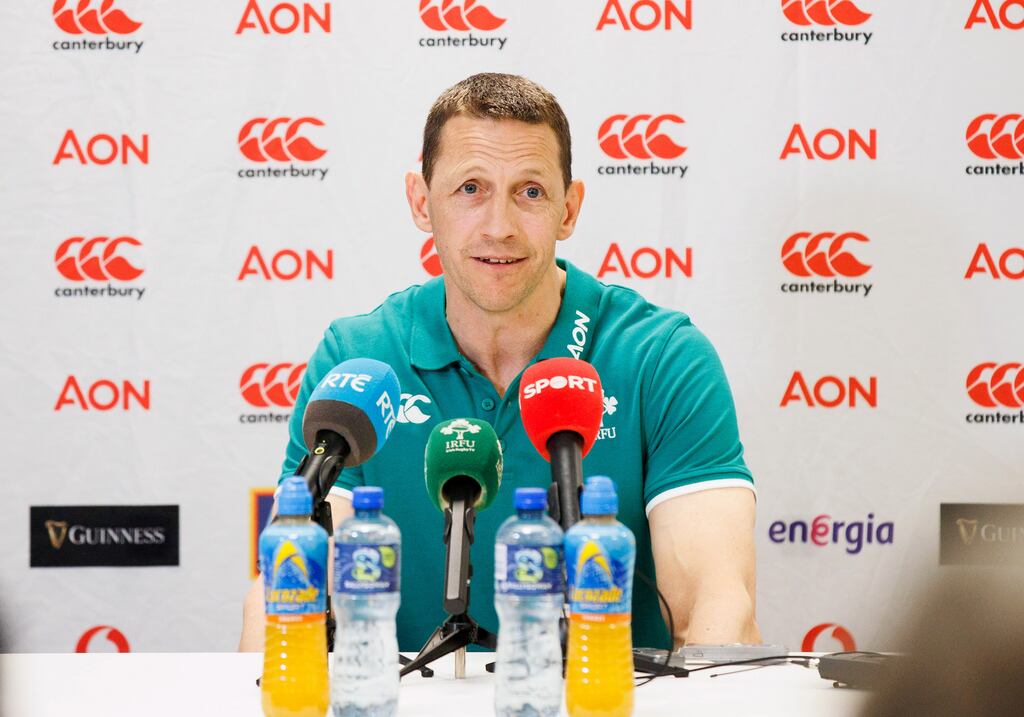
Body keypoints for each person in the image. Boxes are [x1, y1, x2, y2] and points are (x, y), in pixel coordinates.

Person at [240, 72, 759, 652]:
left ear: (569, 209)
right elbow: (286, 596)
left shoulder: (662, 357)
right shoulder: (358, 360)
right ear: (421, 201)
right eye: (470, 188)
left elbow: (718, 611)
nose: (499, 226)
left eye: (530, 191)